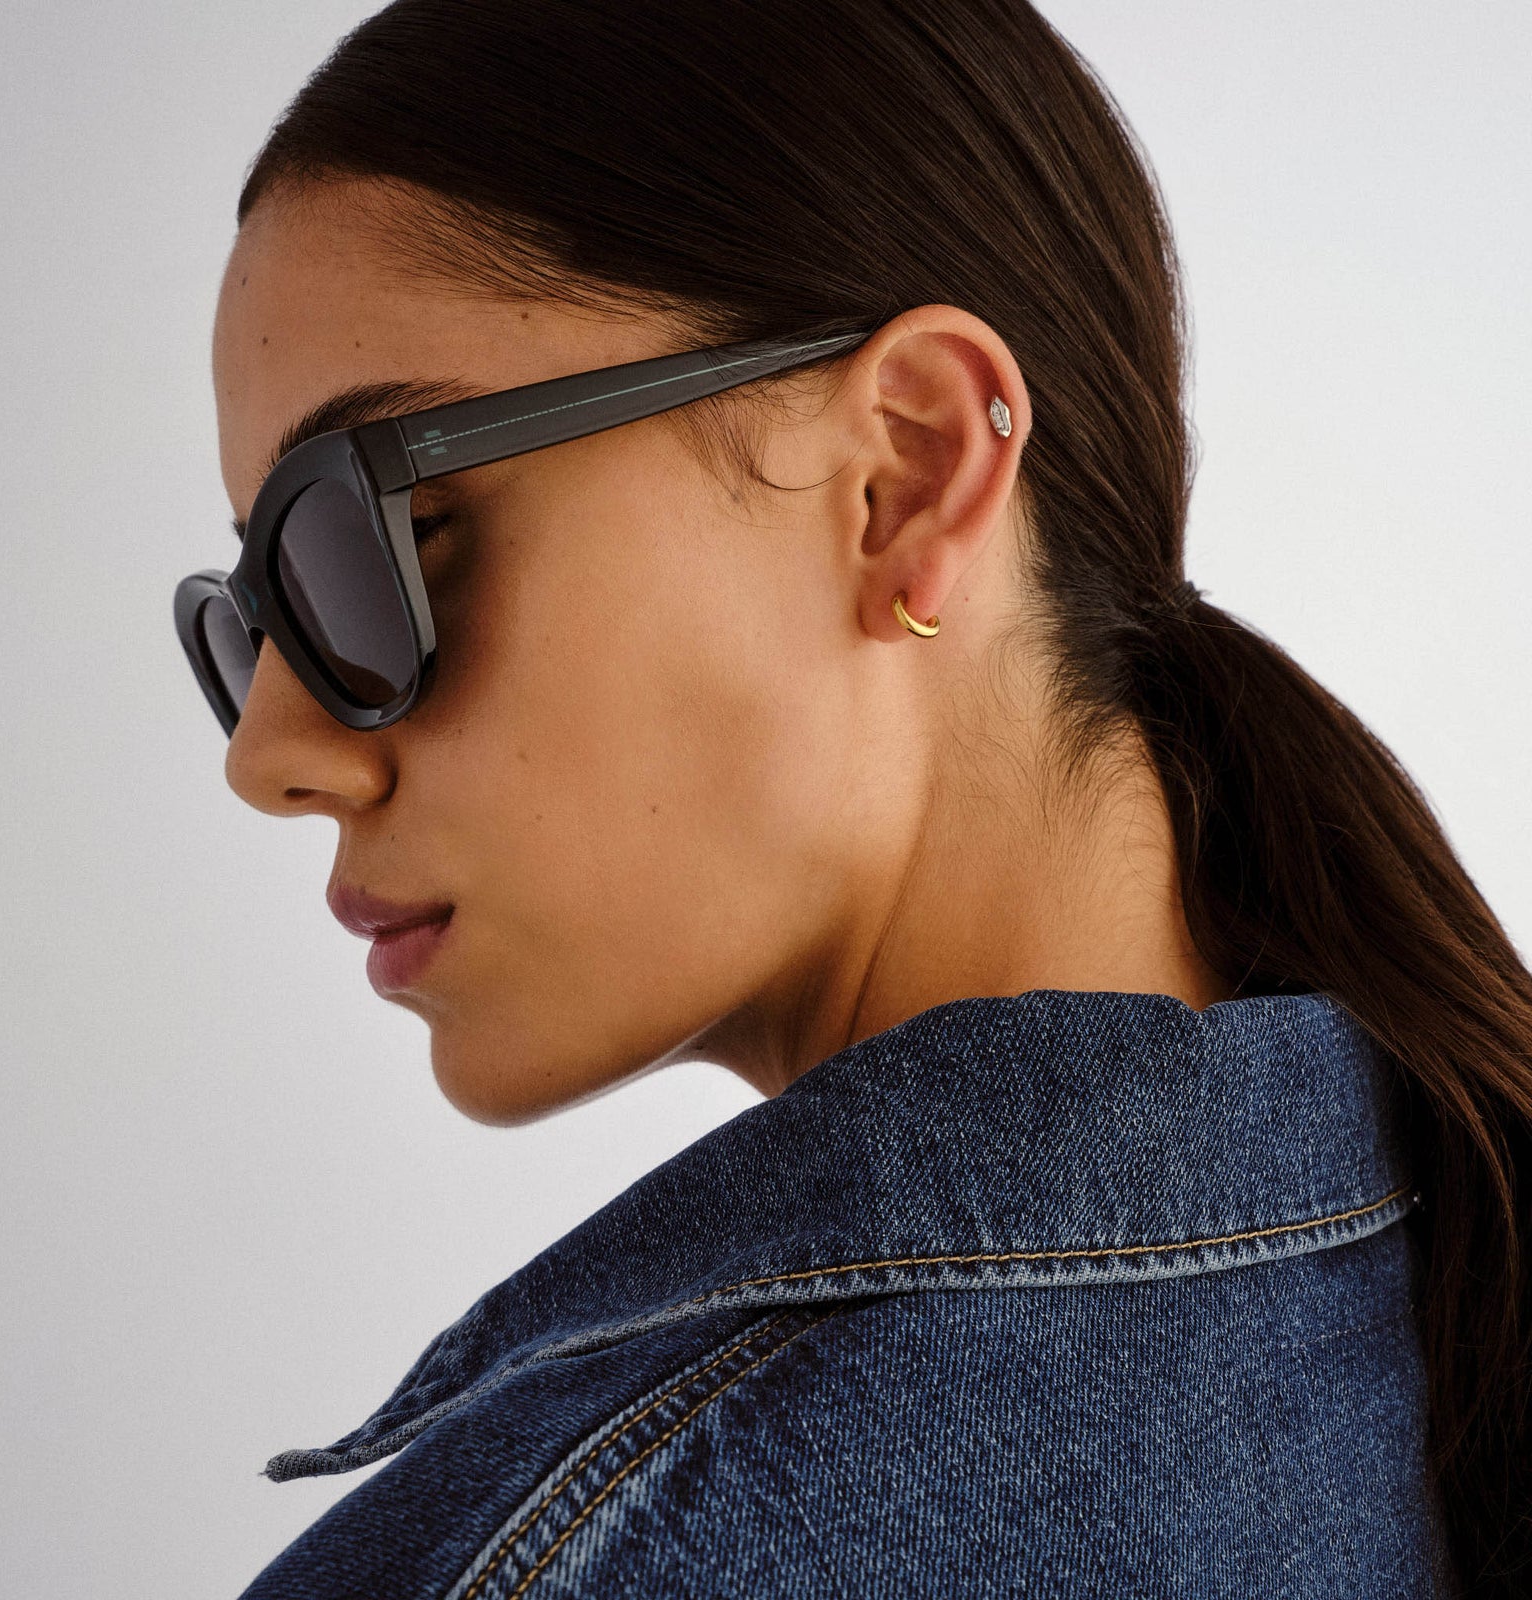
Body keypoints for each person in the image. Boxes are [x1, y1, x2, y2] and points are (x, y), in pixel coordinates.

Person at [177, 1, 1531, 1593]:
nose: (267, 752)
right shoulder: (1433, 1286)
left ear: (907, 473)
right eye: (253, 616)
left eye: (366, 544)